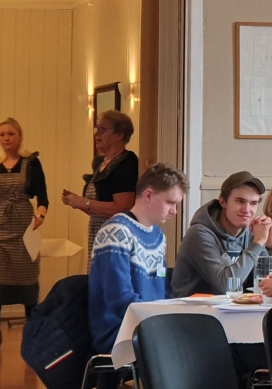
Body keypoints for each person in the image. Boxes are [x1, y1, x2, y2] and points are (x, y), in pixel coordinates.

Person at [88, 163, 187, 389]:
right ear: (148, 195)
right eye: (170, 202)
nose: (174, 211)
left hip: (149, 323)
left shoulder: (158, 236)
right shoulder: (116, 231)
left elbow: (162, 288)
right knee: (186, 347)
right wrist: (162, 320)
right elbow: (119, 298)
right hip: (119, 329)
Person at [172, 171, 272, 297]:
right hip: (193, 308)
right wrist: (258, 243)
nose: (247, 210)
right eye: (240, 201)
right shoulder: (199, 234)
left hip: (236, 308)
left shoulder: (252, 234)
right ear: (223, 202)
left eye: (253, 203)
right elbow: (226, 286)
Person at [0, 118, 48, 353]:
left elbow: (42, 196)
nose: (6, 138)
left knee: (27, 280)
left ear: (20, 137)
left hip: (24, 227)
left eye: (11, 134)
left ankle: (31, 336)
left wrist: (41, 215)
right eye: (2, 134)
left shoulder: (31, 163)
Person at [62, 110, 139, 267]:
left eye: (103, 129)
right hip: (99, 236)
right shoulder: (102, 164)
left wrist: (85, 202)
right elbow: (99, 211)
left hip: (116, 239)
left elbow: (123, 209)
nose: (97, 134)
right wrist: (77, 202)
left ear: (120, 134)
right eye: (97, 129)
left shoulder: (125, 163)